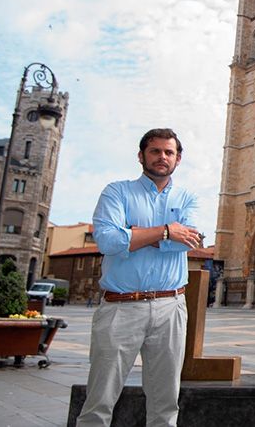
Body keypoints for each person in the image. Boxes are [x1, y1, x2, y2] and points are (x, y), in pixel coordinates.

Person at [75, 128, 203, 427]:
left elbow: (190, 241)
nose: (162, 157)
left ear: (178, 158)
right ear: (141, 156)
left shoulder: (188, 198)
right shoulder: (116, 192)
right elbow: (107, 241)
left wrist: (133, 234)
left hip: (170, 307)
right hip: (120, 307)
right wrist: (167, 230)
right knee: (99, 400)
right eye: (155, 151)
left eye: (168, 152)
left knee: (165, 403)